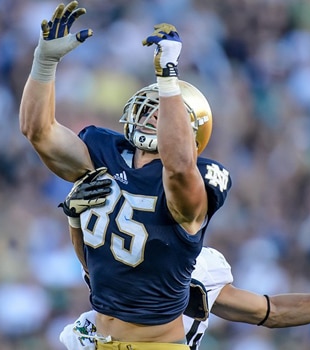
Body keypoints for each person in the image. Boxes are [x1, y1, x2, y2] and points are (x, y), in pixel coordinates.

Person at [19, 1, 232, 348]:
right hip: (99, 338)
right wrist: (44, 62)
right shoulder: (105, 152)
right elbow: (38, 131)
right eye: (149, 107)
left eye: (160, 110)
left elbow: (179, 168)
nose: (149, 115)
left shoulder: (196, 181)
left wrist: (168, 77)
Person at [57, 177, 310, 350]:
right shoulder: (129, 244)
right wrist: (74, 221)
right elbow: (94, 274)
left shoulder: (204, 266)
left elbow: (271, 311)